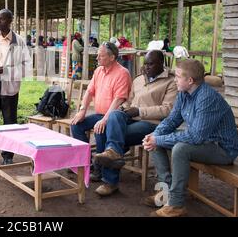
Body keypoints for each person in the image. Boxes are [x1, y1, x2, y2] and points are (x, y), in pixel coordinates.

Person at [143, 59, 238, 217]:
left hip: (222, 149)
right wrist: (155, 135)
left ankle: (176, 205)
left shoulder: (207, 98)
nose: (174, 79)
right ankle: (165, 193)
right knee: (158, 141)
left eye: (178, 76)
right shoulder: (183, 94)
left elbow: (195, 137)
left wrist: (158, 139)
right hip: (204, 143)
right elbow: (172, 120)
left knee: (181, 149)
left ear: (190, 80)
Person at [92, 50, 178, 196]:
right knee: (113, 116)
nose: (147, 67)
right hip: (131, 118)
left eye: (151, 64)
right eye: (145, 64)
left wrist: (139, 111)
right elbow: (129, 101)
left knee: (112, 138)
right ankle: (112, 154)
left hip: (152, 123)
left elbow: (167, 110)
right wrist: (123, 109)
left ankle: (109, 180)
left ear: (161, 64)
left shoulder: (171, 82)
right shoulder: (139, 79)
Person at [70, 42, 131, 181]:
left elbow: (119, 100)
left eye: (100, 56)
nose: (97, 58)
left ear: (112, 57)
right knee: (76, 124)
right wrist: (82, 110)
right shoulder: (99, 71)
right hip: (99, 114)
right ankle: (86, 163)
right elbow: (89, 92)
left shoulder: (122, 73)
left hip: (115, 116)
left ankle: (100, 169)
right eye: (97, 55)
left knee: (100, 129)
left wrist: (104, 120)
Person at [0, 9, 32, 166]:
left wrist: (9, 71)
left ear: (10, 21)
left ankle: (8, 155)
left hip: (10, 85)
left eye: (1, 19)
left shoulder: (19, 41)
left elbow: (27, 65)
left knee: (10, 121)